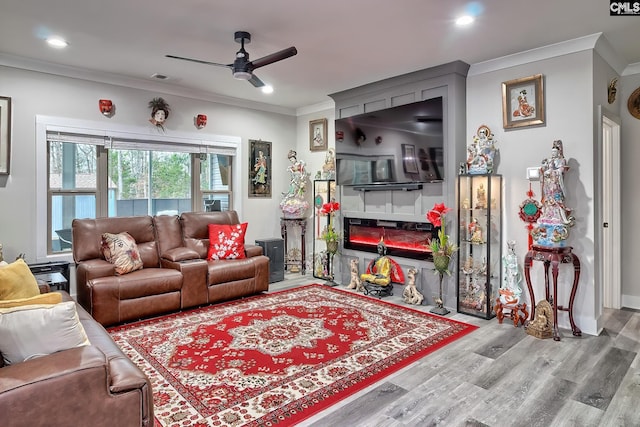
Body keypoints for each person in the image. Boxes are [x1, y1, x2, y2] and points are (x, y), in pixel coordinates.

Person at [499, 240, 523, 305]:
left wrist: (516, 272)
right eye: (509, 250)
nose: (510, 251)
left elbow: (516, 265)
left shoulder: (514, 257)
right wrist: (504, 259)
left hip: (513, 271)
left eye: (511, 250)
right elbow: (506, 264)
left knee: (513, 281)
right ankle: (508, 290)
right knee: (508, 281)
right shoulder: (508, 256)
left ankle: (512, 292)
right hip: (509, 270)